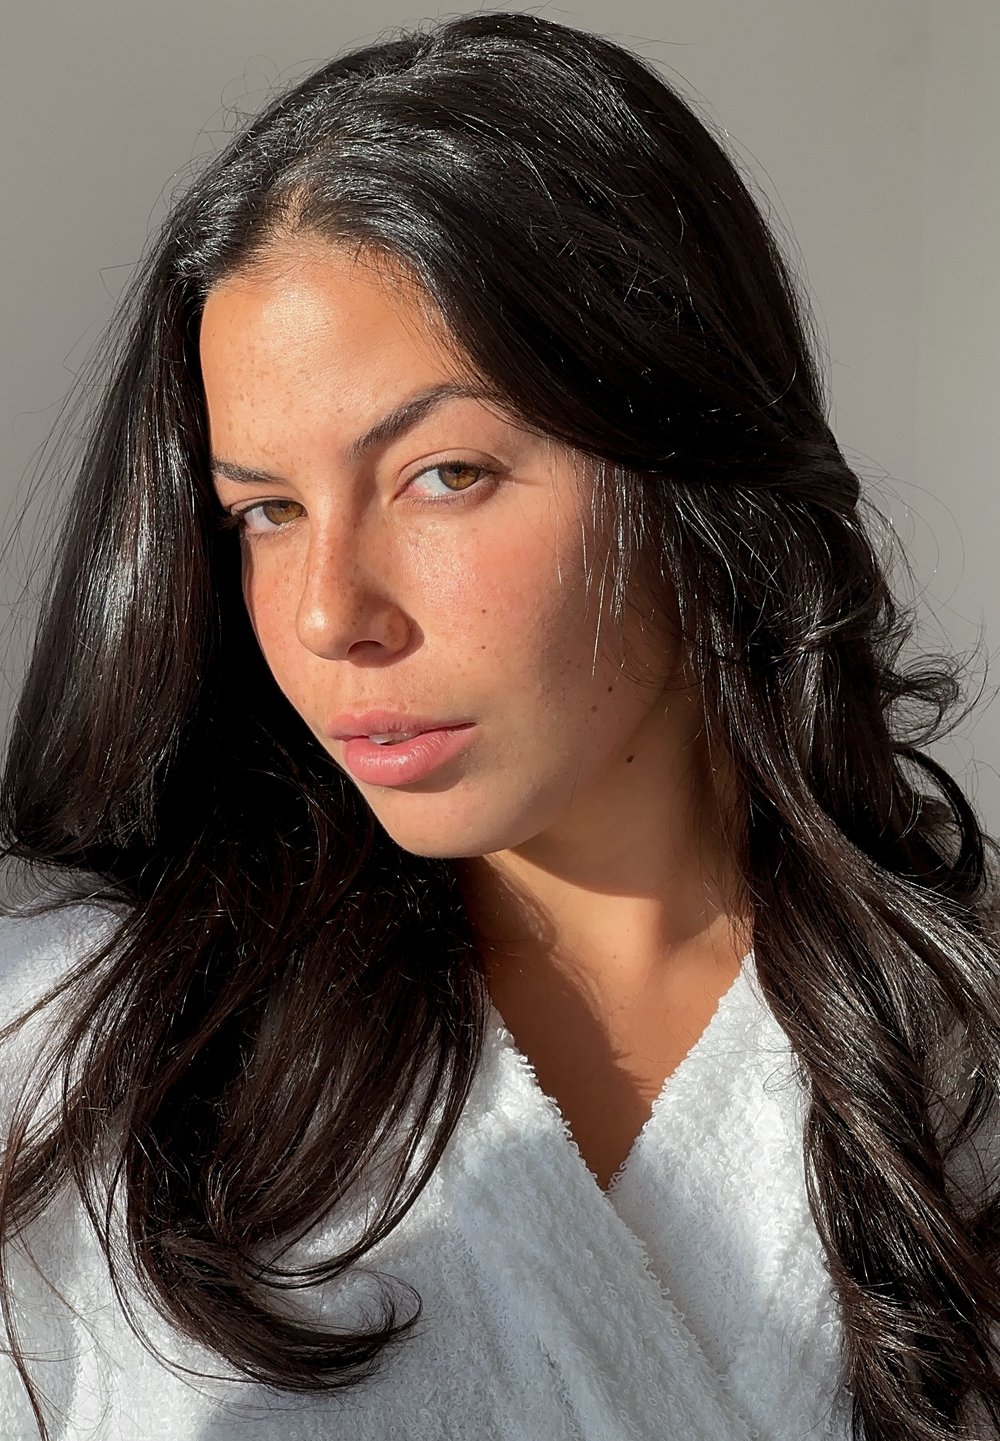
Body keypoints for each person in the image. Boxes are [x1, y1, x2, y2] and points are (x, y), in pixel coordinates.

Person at [1, 10, 998, 1440]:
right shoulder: (74, 1058)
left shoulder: (960, 1070)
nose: (329, 612)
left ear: (685, 459)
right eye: (265, 511)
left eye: (445, 474)